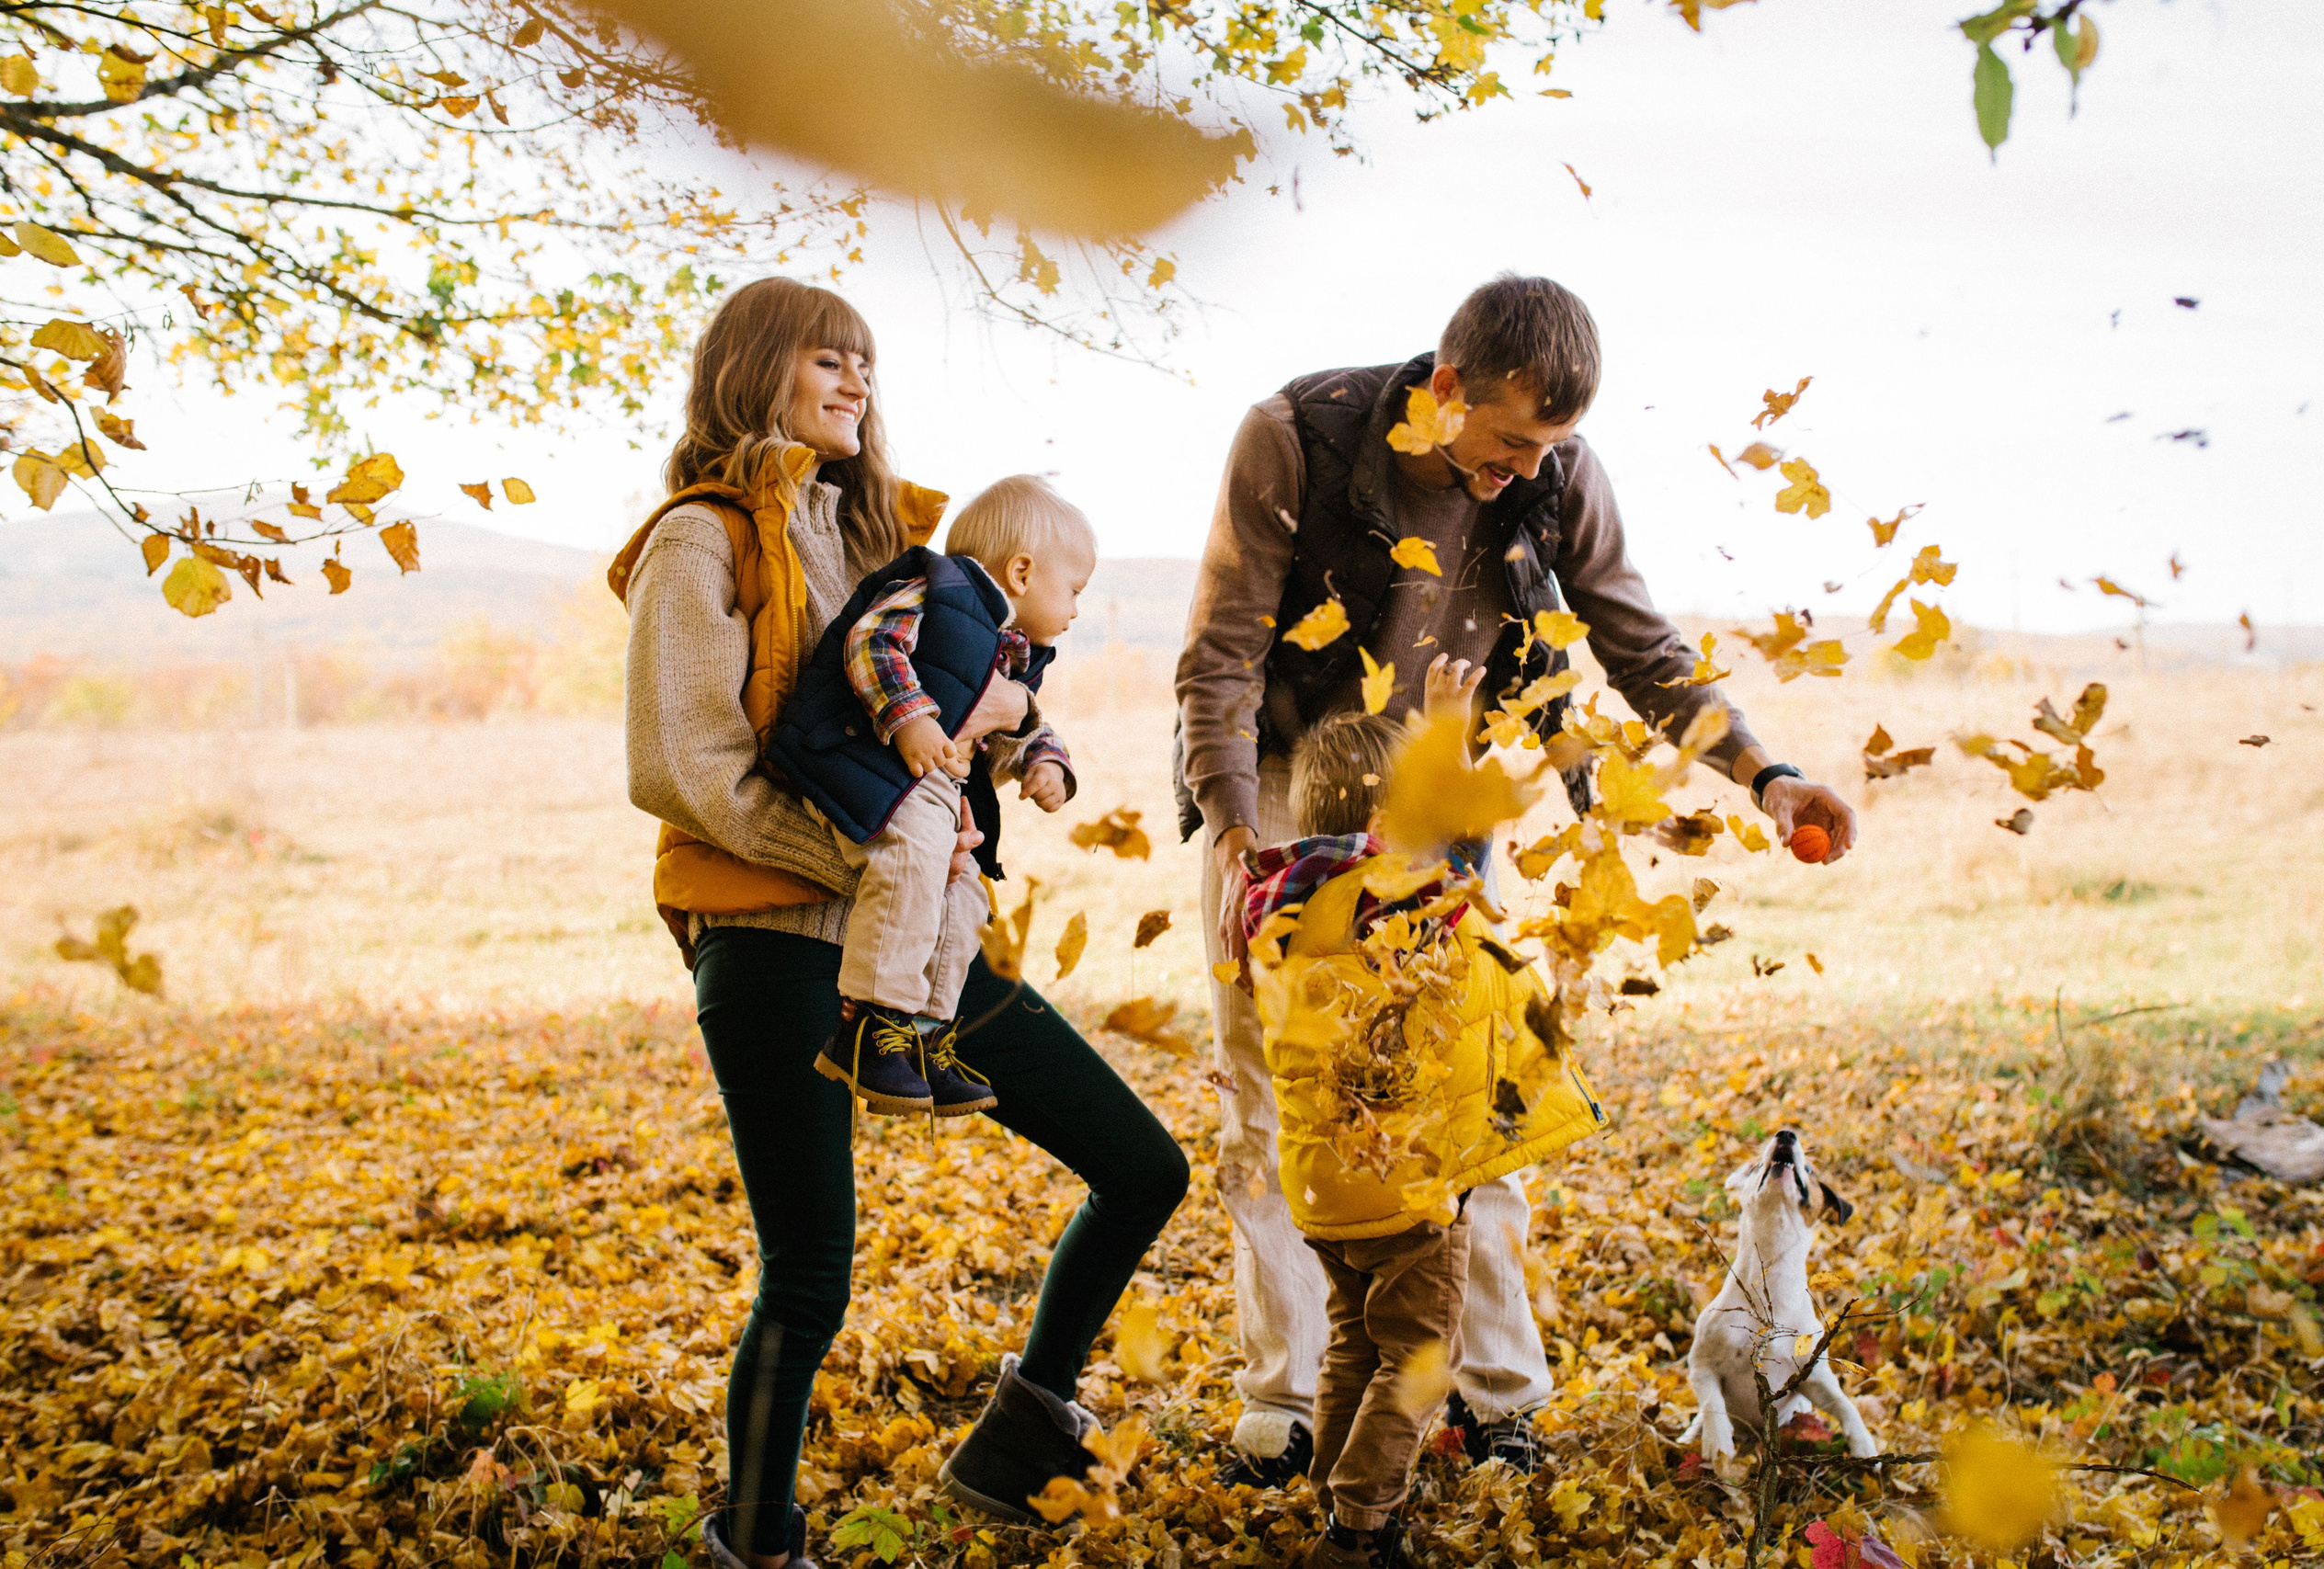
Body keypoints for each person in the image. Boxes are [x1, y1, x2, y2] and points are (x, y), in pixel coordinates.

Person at [1175, 271, 1859, 1481]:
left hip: (1442, 802)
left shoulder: (1559, 476)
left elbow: (1644, 650)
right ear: (1445, 391)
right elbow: (1222, 654)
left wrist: (1768, 776)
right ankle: (1286, 1402)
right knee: (1277, 1104)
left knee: (1467, 1107)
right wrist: (1236, 842)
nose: (1522, 469)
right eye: (1505, 444)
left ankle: (1494, 1393)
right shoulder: (1297, 437)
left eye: (1549, 447)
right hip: (1288, 799)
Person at [612, 278, 1188, 1569]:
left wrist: (1013, 752)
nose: (858, 383)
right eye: (830, 359)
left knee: (1145, 1164)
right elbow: (679, 761)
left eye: (867, 365)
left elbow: (946, 700)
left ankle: (1023, 1427)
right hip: (769, 938)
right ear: (755, 367)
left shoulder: (887, 541)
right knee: (812, 1270)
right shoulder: (698, 542)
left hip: (917, 939)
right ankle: (756, 1540)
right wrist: (868, 848)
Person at [1243, 682, 1606, 1569]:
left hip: (1324, 1192)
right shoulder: (1406, 901)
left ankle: (1334, 1483)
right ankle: (1361, 1528)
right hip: (1411, 1191)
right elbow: (1467, 892)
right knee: (1417, 1359)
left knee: (1352, 1346)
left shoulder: (1275, 911)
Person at [766, 475, 1093, 1116]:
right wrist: (910, 715)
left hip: (931, 789)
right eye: (1075, 590)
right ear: (1022, 571)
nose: (1077, 610)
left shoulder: (1008, 652)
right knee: (912, 859)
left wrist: (1046, 759)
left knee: (966, 893)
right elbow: (874, 640)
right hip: (863, 757)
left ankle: (921, 1037)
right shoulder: (941, 590)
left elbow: (1009, 719)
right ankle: (866, 1025)